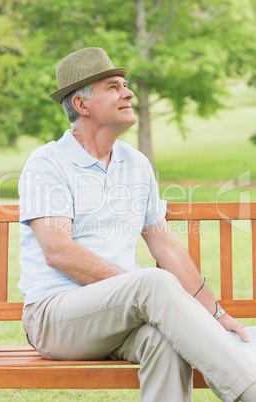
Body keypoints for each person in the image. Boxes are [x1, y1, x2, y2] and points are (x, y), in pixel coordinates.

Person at [18, 47, 256, 402]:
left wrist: (216, 313)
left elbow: (166, 247)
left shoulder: (135, 163)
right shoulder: (47, 164)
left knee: (166, 340)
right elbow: (59, 252)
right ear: (82, 105)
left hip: (121, 315)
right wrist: (140, 289)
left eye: (125, 84)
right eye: (113, 86)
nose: (129, 93)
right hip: (55, 318)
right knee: (152, 281)